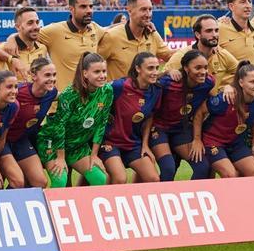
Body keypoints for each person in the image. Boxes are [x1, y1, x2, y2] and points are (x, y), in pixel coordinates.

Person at [36, 52, 112, 188]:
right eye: (97, 72)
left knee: (100, 179)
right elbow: (59, 126)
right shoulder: (69, 95)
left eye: (104, 71)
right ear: (85, 73)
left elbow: (102, 122)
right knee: (60, 181)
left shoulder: (107, 91)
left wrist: (94, 155)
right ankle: (51, 208)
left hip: (78, 146)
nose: (102, 76)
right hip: (53, 144)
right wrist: (60, 157)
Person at [190, 61, 254, 179]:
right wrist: (196, 139)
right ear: (241, 82)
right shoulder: (225, 99)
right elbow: (200, 113)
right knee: (231, 175)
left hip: (236, 142)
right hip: (213, 142)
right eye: (252, 82)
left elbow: (253, 116)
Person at [99, 51, 163, 185]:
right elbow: (96, 102)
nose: (155, 72)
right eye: (150, 68)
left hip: (133, 144)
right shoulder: (119, 86)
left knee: (153, 179)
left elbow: (149, 117)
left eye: (157, 68)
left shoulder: (156, 90)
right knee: (120, 179)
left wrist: (145, 145)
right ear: (138, 68)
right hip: (110, 142)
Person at [152, 49, 215, 180]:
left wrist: (228, 88)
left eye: (205, 67)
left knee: (203, 167)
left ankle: (192, 199)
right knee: (168, 169)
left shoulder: (208, 83)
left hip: (181, 130)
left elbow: (207, 103)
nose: (203, 71)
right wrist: (166, 72)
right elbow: (148, 81)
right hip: (159, 129)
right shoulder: (169, 82)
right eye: (197, 68)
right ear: (186, 68)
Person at [3, 57, 58, 189]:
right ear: (33, 75)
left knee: (40, 182)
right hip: (2, 141)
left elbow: (69, 95)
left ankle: (20, 206)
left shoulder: (52, 93)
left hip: (22, 141)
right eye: (47, 75)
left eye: (54, 75)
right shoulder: (18, 92)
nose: (52, 79)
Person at [98, 0, 171, 81]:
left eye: (150, 9)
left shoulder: (152, 34)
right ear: (129, 10)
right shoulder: (112, 36)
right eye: (143, 9)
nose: (148, 14)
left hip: (145, 95)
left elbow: (169, 56)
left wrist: (192, 48)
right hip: (118, 94)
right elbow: (92, 65)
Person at [38, 0, 106, 86]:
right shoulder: (54, 31)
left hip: (90, 99)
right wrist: (12, 40)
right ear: (71, 9)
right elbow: (29, 34)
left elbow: (111, 30)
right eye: (83, 7)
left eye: (91, 6)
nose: (89, 11)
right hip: (64, 99)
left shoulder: (95, 28)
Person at [164, 14, 239, 89]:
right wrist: (168, 72)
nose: (214, 35)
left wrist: (230, 86)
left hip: (213, 99)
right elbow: (160, 77)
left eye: (216, 30)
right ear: (198, 35)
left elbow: (242, 72)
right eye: (209, 31)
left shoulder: (222, 53)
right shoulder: (182, 55)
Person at [0, 6, 49, 82]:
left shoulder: (43, 48)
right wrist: (11, 59)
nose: (36, 26)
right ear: (18, 27)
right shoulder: (5, 48)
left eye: (37, 22)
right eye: (30, 23)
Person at [217, 0, 254, 64]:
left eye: (249, 1)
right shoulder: (220, 29)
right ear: (231, 6)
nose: (248, 6)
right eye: (243, 2)